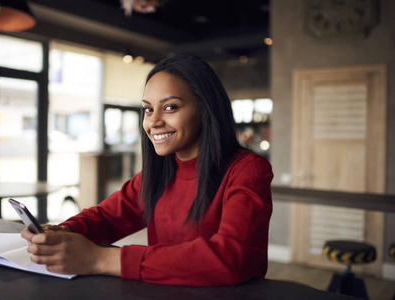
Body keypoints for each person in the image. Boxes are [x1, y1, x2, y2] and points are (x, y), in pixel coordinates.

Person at [21, 53, 273, 287]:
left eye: (170, 107)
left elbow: (231, 257)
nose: (153, 122)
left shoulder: (247, 170)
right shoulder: (160, 173)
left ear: (205, 110)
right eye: (148, 109)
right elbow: (107, 217)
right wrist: (64, 231)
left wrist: (101, 259)